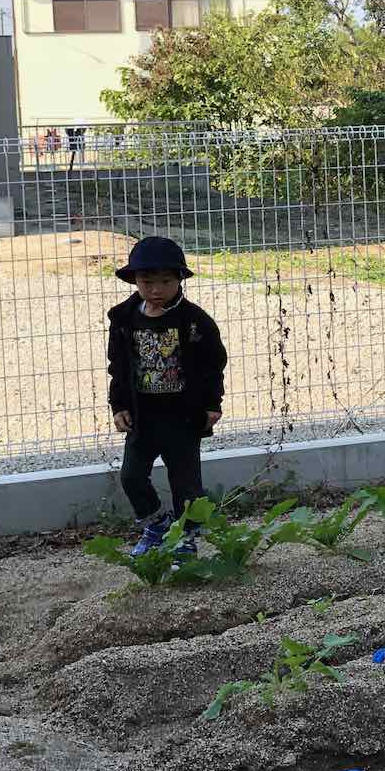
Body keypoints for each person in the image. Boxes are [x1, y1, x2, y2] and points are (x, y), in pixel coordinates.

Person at [107, 236, 227, 558]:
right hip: (142, 417)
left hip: (182, 418)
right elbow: (117, 366)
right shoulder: (124, 319)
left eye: (166, 281)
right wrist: (118, 405)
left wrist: (213, 403)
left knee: (186, 486)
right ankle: (158, 525)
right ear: (134, 280)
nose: (156, 289)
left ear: (179, 280)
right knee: (131, 476)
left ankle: (184, 539)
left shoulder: (194, 321)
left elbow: (213, 363)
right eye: (148, 282)